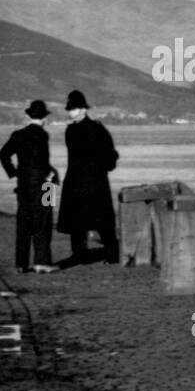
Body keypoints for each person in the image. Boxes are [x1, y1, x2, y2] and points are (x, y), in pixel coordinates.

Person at [56, 90, 119, 266]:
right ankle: (81, 254)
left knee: (99, 221)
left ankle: (110, 254)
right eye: (70, 109)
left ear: (83, 109)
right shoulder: (84, 129)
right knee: (84, 221)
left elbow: (109, 155)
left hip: (90, 181)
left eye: (74, 109)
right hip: (86, 180)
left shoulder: (88, 130)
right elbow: (110, 156)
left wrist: (101, 168)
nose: (71, 112)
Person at [1, 100, 60, 274]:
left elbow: (3, 155)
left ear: (28, 116)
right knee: (44, 221)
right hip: (45, 185)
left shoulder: (18, 134)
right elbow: (40, 159)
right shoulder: (42, 135)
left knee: (24, 223)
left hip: (23, 185)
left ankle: (21, 263)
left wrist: (15, 173)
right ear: (44, 119)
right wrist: (49, 175)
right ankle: (42, 262)